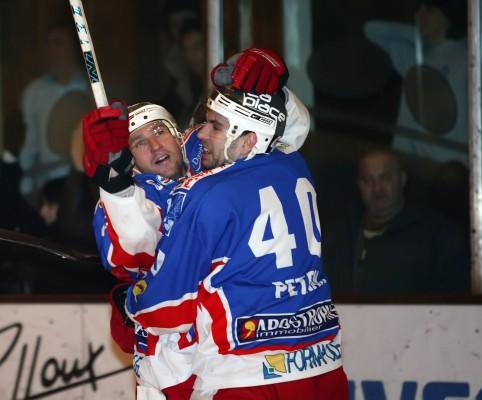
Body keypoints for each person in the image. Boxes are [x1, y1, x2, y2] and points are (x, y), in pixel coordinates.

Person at [83, 49, 311, 399]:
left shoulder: (207, 152)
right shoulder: (133, 196)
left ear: (179, 135)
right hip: (172, 367)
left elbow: (286, 136)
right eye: (138, 142)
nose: (154, 145)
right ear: (131, 161)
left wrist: (275, 95)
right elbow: (136, 248)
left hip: (226, 355)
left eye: (159, 130)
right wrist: (115, 184)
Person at [122, 84, 347, 397]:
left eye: (216, 126)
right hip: (323, 365)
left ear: (249, 140)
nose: (202, 133)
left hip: (247, 375)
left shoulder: (204, 192)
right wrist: (274, 87)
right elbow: (294, 127)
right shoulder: (294, 164)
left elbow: (166, 309)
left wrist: (132, 302)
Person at [364, 0, 482, 174]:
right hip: (411, 165)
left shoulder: (474, 56)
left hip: (455, 170)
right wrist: (418, 36)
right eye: (418, 8)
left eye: (429, 10)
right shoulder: (415, 54)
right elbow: (372, 30)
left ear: (448, 16)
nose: (420, 15)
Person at [322, 148, 469, 294]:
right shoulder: (337, 235)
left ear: (402, 179)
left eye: (385, 178)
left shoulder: (437, 237)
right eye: (367, 180)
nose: (377, 188)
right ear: (359, 185)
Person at [19, 21, 89, 195]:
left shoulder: (90, 88)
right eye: (48, 44)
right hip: (48, 184)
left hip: (86, 183)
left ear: (74, 47)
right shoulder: (34, 92)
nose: (52, 50)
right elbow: (29, 142)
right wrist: (25, 188)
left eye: (58, 43)